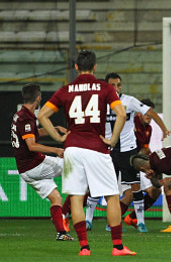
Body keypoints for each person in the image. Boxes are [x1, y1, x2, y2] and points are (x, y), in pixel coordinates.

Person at [37, 50, 135, 256]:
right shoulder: (105, 88)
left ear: (76, 67)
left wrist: (58, 138)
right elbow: (121, 113)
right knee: (111, 197)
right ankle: (117, 246)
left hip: (73, 149)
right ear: (95, 67)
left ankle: (84, 247)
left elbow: (43, 115)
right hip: (97, 148)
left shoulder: (66, 89)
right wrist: (112, 139)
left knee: (76, 197)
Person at [85, 73, 171, 233]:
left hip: (128, 152)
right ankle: (88, 221)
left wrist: (164, 128)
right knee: (98, 186)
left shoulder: (129, 101)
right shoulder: (98, 103)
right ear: (106, 86)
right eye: (112, 85)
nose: (116, 88)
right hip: (107, 151)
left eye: (119, 85)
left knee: (135, 187)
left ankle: (140, 223)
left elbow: (150, 112)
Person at [11, 83, 73, 241]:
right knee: (75, 166)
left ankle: (61, 233)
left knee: (56, 198)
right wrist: (56, 150)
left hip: (26, 170)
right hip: (35, 165)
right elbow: (31, 145)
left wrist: (55, 129)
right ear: (38, 98)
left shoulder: (21, 115)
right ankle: (78, 206)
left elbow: (31, 133)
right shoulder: (26, 117)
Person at [123, 98, 162, 228]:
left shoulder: (149, 128)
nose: (149, 117)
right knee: (129, 194)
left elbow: (145, 149)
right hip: (126, 161)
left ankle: (132, 217)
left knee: (156, 191)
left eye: (150, 114)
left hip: (139, 163)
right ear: (139, 112)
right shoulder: (131, 123)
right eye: (146, 113)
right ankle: (112, 223)